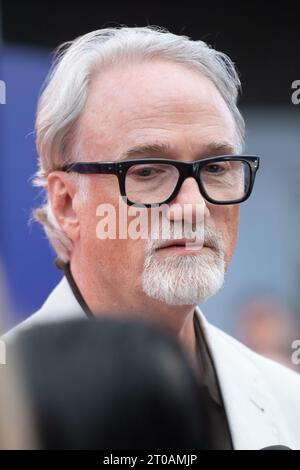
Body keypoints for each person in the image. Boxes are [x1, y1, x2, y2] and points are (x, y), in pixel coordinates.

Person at [3, 26, 300, 449]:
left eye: (216, 168)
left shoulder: (289, 407)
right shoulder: (10, 400)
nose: (194, 208)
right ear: (67, 203)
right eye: (146, 172)